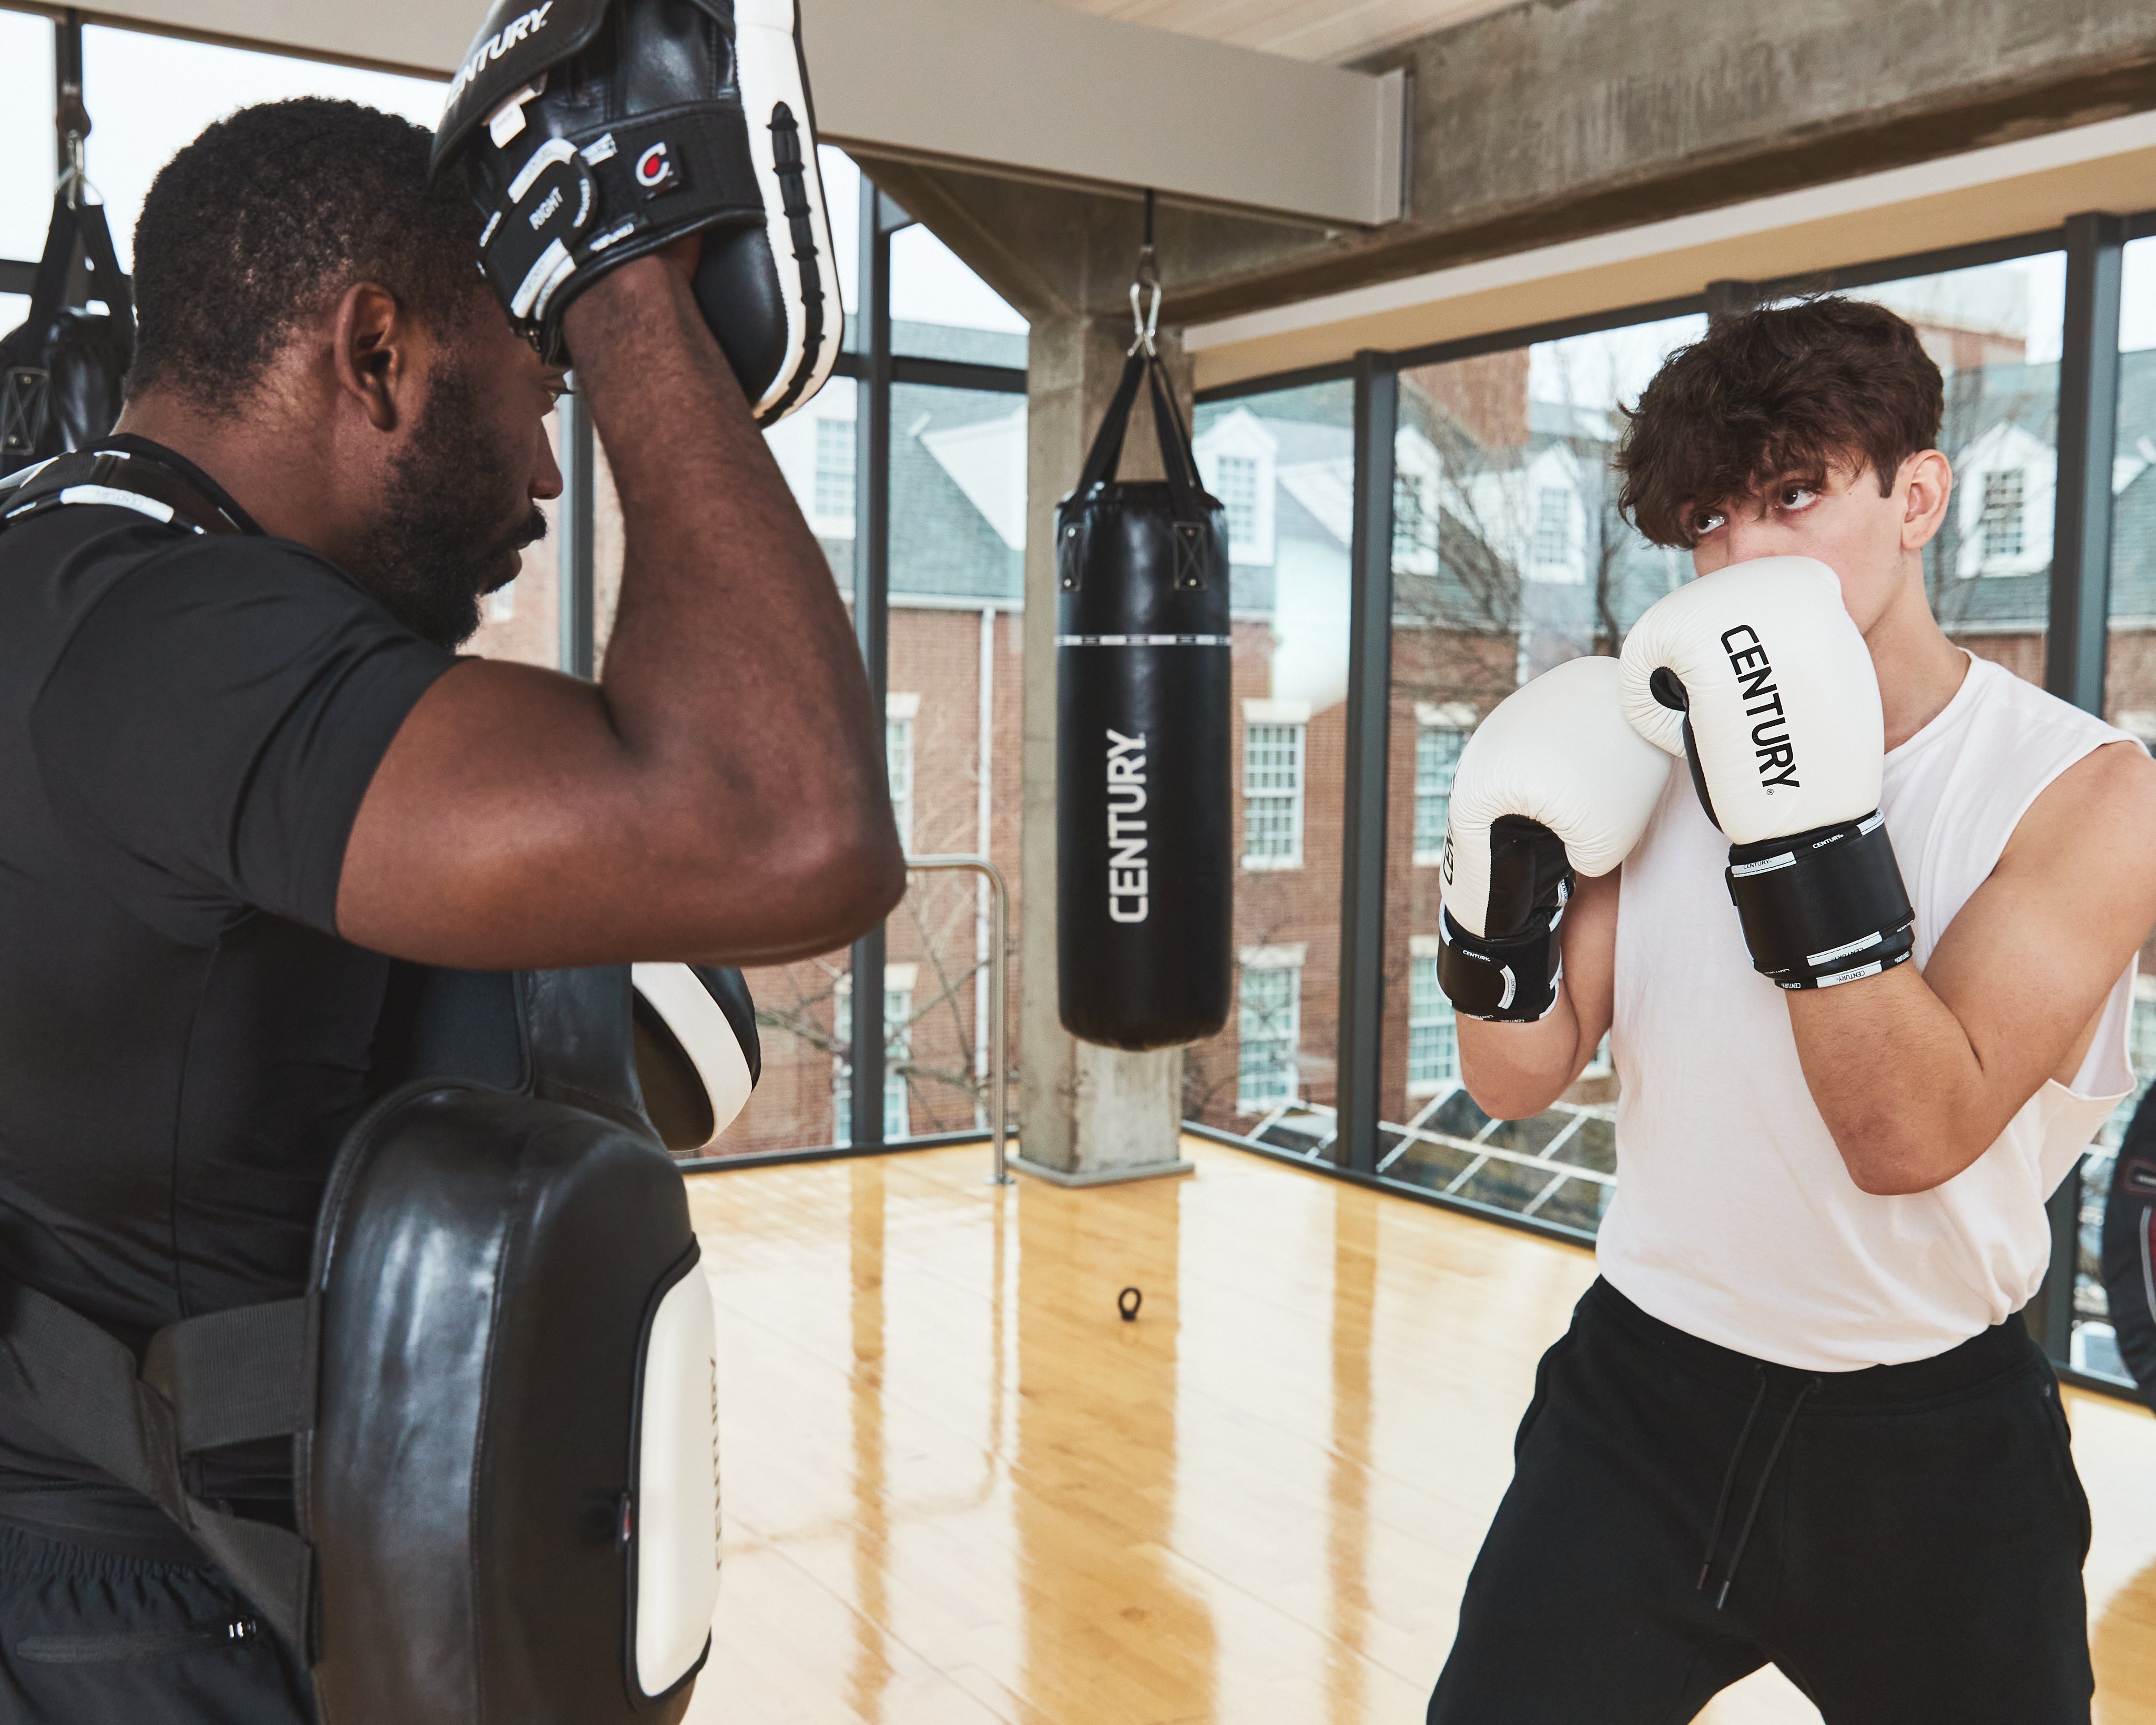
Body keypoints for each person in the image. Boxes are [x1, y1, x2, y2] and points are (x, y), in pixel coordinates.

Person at [0, 99, 900, 1721]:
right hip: (186, 1619)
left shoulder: (62, 574)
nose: (549, 466)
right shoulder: (189, 650)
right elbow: (789, 825)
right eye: (534, 387)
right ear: (377, 355)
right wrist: (624, 289)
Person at [1426, 297, 2156, 1723]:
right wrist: (1491, 893)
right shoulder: (1650, 760)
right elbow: (1514, 1079)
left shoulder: (2086, 795)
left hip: (1929, 1448)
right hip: (1638, 1406)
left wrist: (1800, 826)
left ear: (1917, 499)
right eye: (1710, 518)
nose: (1744, 554)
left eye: (1794, 495)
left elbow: (1906, 1134)